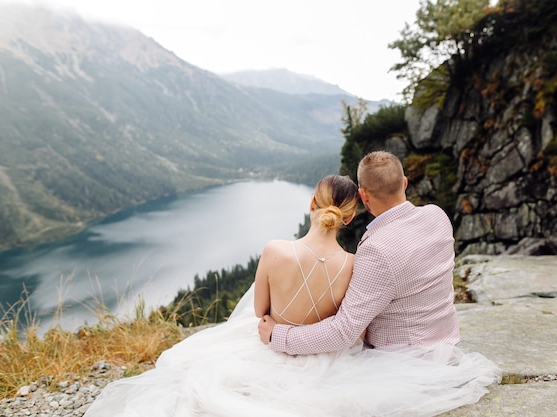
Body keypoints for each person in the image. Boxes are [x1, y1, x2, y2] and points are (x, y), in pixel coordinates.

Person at [84, 172, 500, 417]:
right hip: (327, 356)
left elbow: (260, 312)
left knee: (190, 374)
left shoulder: (274, 250)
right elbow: (351, 329)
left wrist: (274, 332)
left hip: (274, 341)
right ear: (350, 215)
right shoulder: (355, 264)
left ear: (311, 205)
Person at [259, 150, 460, 353]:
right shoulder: (437, 215)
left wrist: (278, 335)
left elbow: (345, 331)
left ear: (363, 196)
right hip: (447, 340)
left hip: (404, 357)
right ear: (404, 183)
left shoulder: (376, 250)